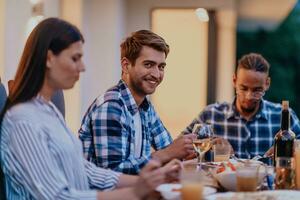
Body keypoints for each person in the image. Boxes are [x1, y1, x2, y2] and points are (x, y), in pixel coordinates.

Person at [0, 18, 178, 200]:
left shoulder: (48, 110)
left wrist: (150, 180)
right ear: (49, 58)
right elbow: (58, 197)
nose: (82, 67)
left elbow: (86, 171)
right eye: (75, 58)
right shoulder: (23, 119)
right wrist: (135, 192)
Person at [79, 30, 196, 174]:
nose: (156, 74)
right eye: (148, 65)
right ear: (126, 65)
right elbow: (111, 174)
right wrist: (168, 154)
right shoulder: (111, 106)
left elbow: (169, 150)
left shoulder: (145, 107)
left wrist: (192, 151)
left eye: (161, 67)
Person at [183, 53, 300, 159]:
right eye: (243, 88)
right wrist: (209, 149)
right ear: (234, 81)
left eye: (257, 90)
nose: (249, 96)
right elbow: (178, 149)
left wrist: (292, 147)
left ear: (267, 84)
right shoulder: (210, 115)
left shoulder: (284, 116)